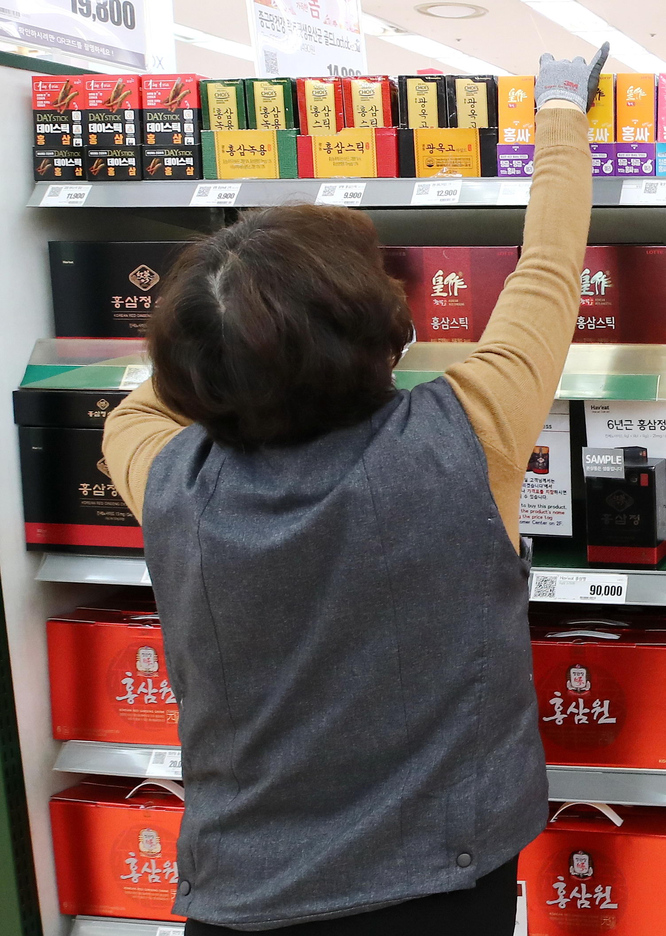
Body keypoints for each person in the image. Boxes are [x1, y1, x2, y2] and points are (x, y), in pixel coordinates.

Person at [100, 44, 609, 935]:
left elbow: (152, 393)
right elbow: (548, 270)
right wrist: (561, 111)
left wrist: (230, 307)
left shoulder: (163, 471)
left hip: (240, 894)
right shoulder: (472, 431)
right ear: (389, 330)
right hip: (443, 883)